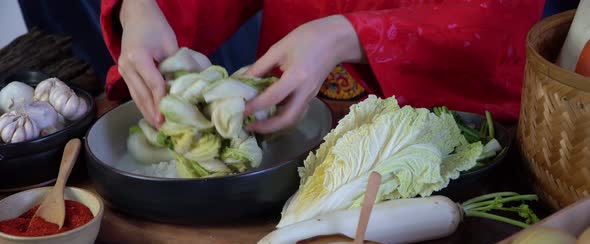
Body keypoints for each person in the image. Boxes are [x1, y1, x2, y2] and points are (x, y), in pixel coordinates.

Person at [100, 0, 546, 133]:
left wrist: (346, 36)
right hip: (290, 133)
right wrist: (141, 9)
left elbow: (495, 18)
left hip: (444, 133)